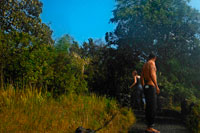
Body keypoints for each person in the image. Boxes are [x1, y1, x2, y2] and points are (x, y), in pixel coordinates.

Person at [141, 53, 160, 133]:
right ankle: (150, 127)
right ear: (155, 57)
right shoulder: (152, 63)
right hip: (151, 87)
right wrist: (156, 86)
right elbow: (152, 74)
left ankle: (148, 126)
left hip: (146, 86)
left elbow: (141, 77)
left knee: (148, 107)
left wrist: (143, 86)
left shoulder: (145, 64)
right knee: (153, 107)